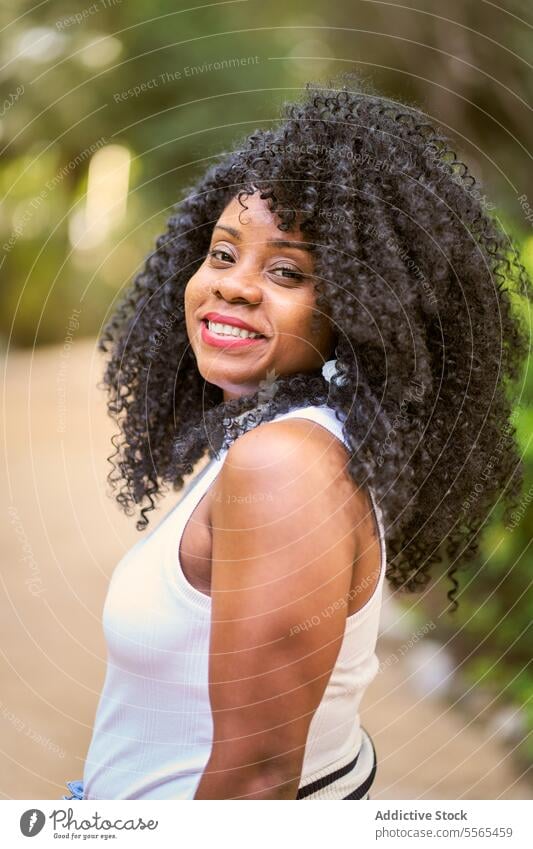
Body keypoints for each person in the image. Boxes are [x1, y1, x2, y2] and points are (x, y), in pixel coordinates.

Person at [63, 73, 531, 800]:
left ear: (358, 309)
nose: (233, 285)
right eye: (221, 253)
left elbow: (257, 780)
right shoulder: (280, 432)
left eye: (286, 270)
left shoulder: (284, 462)